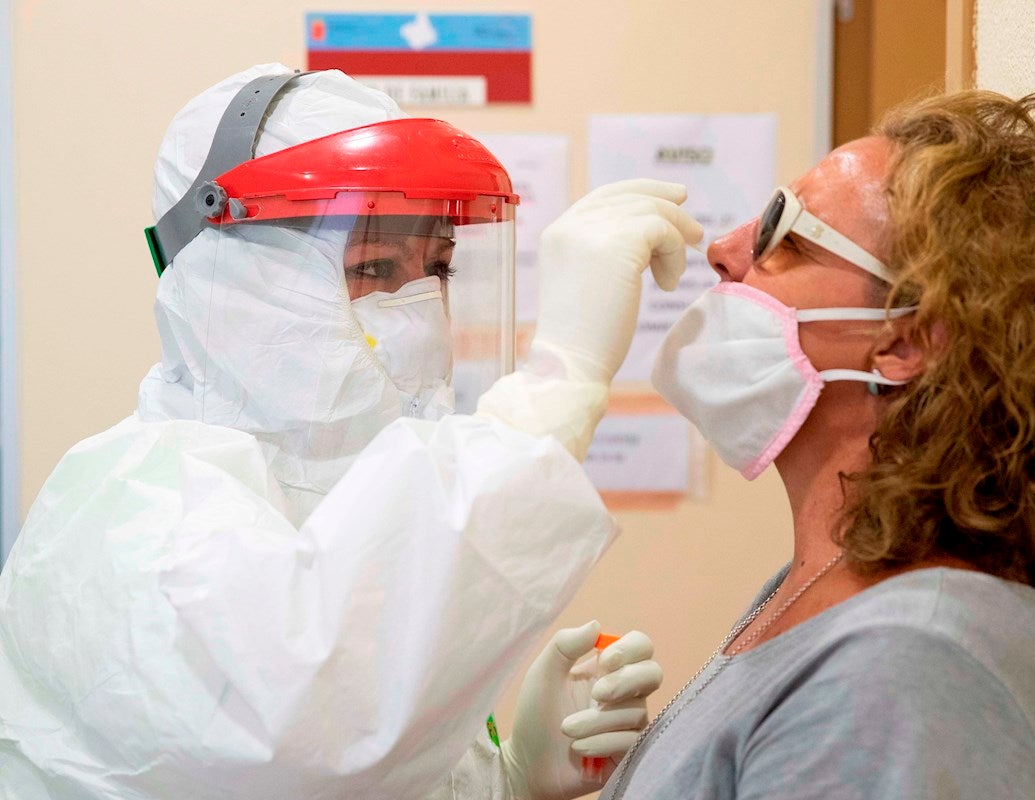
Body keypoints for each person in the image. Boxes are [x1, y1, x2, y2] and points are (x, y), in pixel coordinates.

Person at [0, 64, 699, 799]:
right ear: (232, 279)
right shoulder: (129, 510)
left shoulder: (353, 489)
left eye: (438, 266)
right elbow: (307, 735)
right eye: (370, 267)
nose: (418, 306)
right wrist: (562, 381)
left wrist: (508, 780)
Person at [603, 90, 1035, 799]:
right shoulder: (825, 592)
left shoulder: (904, 665)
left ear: (905, 340)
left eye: (785, 231)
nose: (723, 252)